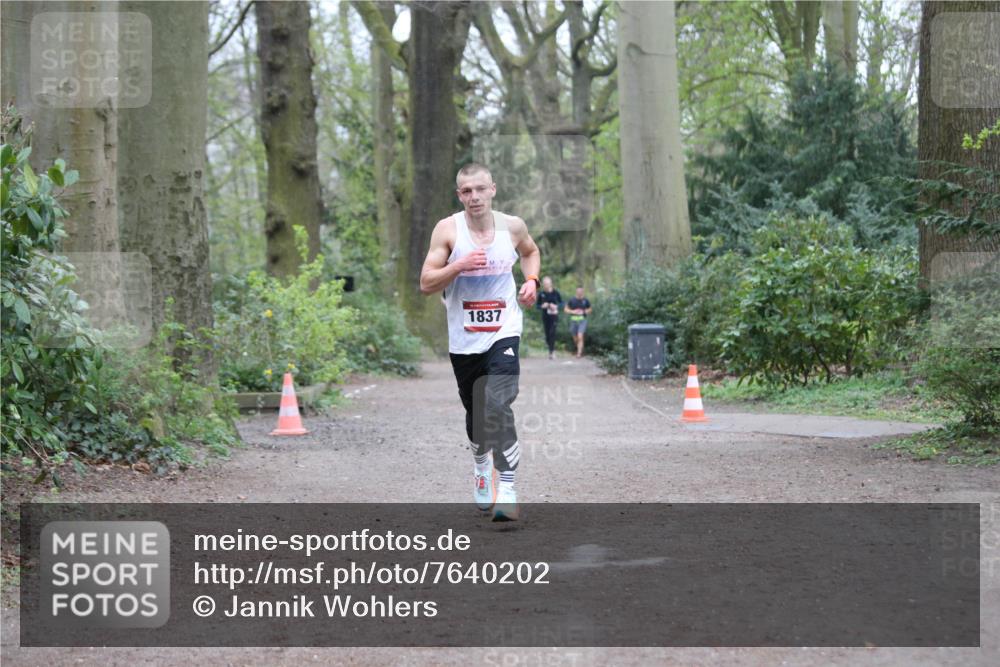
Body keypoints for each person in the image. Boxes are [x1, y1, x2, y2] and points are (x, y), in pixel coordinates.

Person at [419, 163, 540, 521]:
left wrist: (531, 280)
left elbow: (531, 252)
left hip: (503, 331)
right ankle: (480, 464)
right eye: (466, 191)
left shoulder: (513, 226)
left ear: (493, 190)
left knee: (497, 401)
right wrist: (459, 265)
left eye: (480, 189)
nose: (474, 197)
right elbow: (426, 283)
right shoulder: (448, 230)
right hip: (464, 340)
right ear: (460, 195)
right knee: (476, 415)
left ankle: (509, 486)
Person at [536, 276, 562, 359]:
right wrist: (543, 306)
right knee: (547, 334)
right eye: (544, 284)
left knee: (552, 333)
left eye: (548, 283)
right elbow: (537, 306)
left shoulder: (556, 293)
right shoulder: (541, 294)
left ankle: (552, 352)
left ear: (551, 284)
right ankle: (550, 350)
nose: (546, 285)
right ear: (543, 284)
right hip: (545, 316)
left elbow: (562, 303)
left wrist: (556, 306)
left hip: (554, 316)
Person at [565, 286, 592, 358]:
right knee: (575, 338)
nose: (580, 292)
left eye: (581, 291)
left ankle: (579, 353)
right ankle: (580, 348)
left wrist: (584, 311)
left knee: (580, 336)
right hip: (573, 320)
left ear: (583, 292)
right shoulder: (572, 300)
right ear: (576, 291)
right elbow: (566, 309)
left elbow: (590, 309)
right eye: (578, 291)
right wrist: (572, 311)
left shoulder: (585, 300)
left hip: (582, 320)